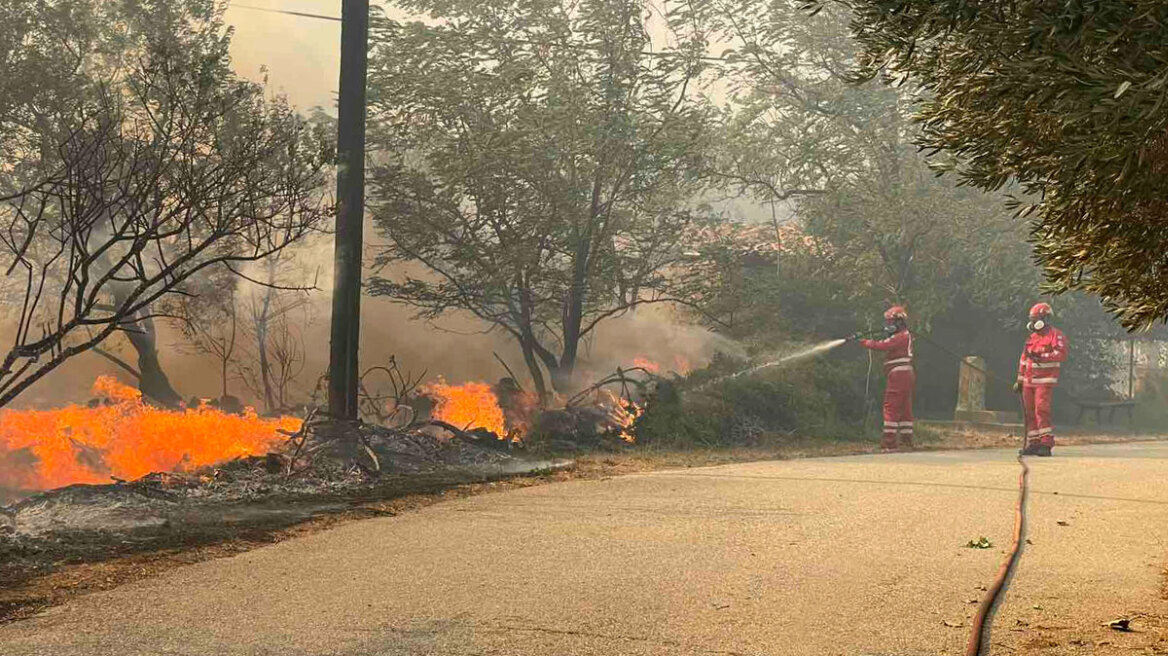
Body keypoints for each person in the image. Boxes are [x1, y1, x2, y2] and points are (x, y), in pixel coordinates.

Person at [1013, 302, 1068, 457]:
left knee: (1041, 410)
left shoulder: (1055, 335)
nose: (1033, 322)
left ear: (1045, 319)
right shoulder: (1032, 338)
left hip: (1044, 381)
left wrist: (1042, 356)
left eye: (1036, 319)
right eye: (1032, 319)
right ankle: (1034, 443)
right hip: (1028, 382)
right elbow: (1023, 360)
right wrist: (1019, 379)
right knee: (1029, 412)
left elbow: (1061, 354)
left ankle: (1046, 443)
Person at [858, 306, 915, 451]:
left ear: (900, 322)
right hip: (906, 374)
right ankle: (906, 441)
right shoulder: (905, 335)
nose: (888, 325)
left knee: (891, 406)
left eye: (891, 322)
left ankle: (889, 443)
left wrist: (865, 342)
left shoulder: (899, 337)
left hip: (898, 374)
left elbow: (883, 345)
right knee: (904, 407)